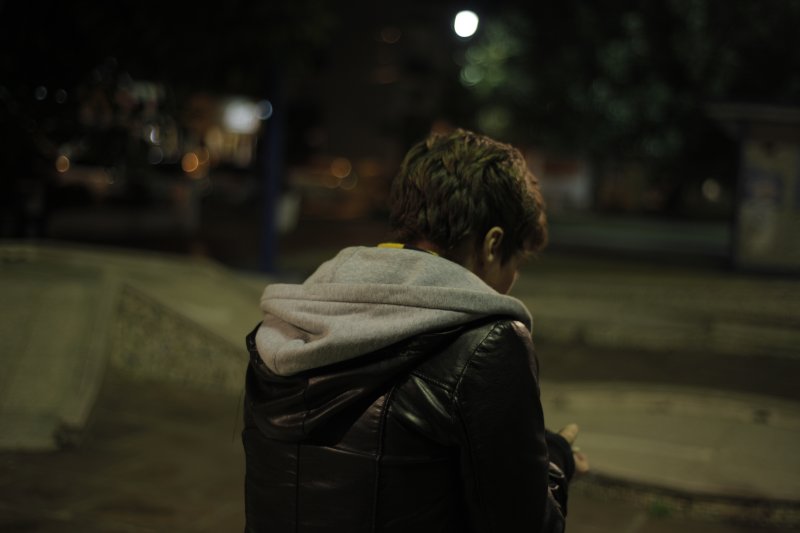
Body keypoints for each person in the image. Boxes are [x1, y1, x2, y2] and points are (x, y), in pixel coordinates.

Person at [242, 128, 587, 532]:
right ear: (493, 245)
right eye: (517, 264)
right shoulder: (487, 344)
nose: (512, 281)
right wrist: (554, 462)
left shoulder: (287, 325)